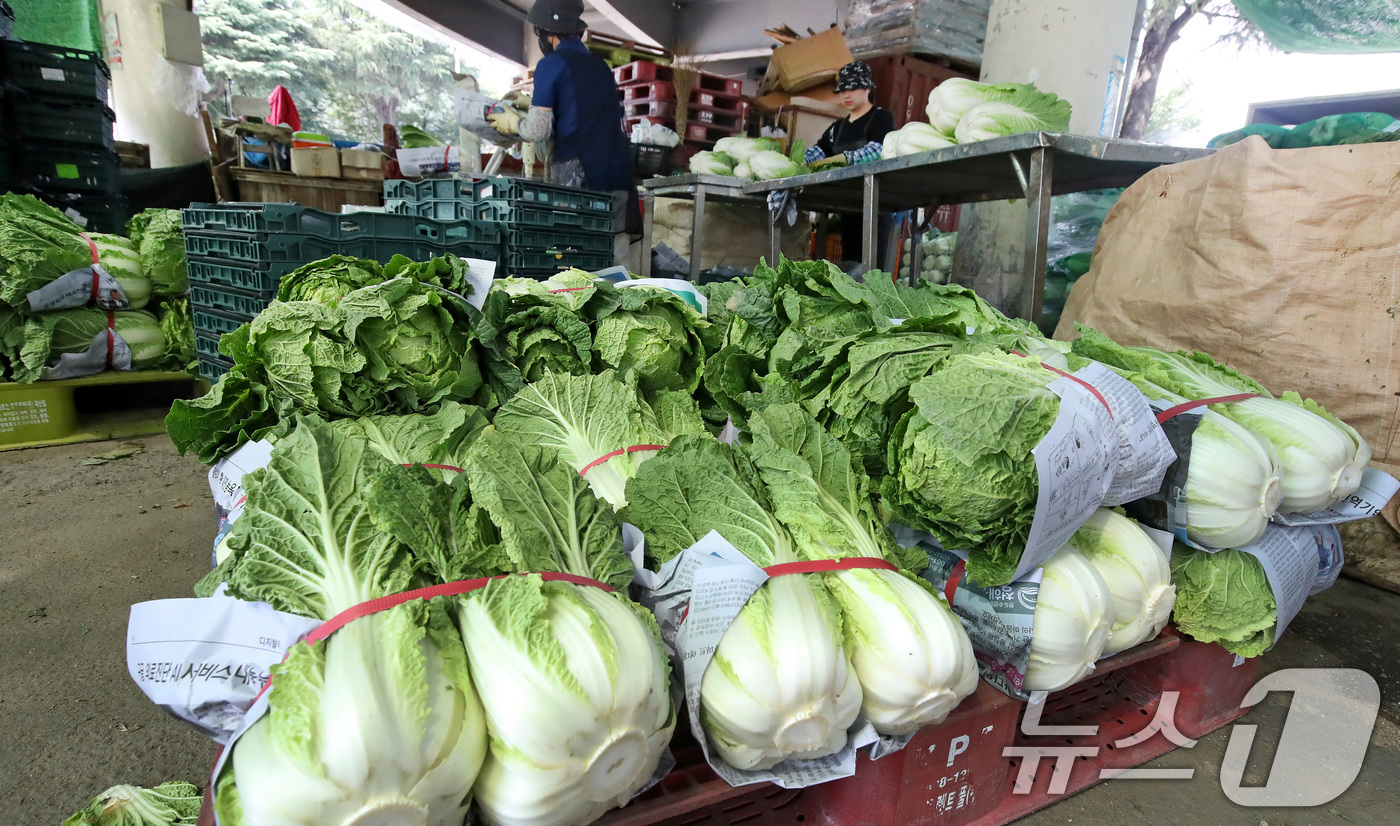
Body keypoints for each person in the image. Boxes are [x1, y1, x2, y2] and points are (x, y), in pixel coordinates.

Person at [488, 0, 638, 263]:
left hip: (579, 178)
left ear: (547, 34)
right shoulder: (601, 66)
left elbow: (538, 130)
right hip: (617, 175)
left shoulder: (552, 65)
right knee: (615, 256)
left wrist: (513, 122)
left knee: (574, 258)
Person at [803, 61, 896, 270]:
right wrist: (801, 162)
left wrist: (842, 160)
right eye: (843, 90)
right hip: (847, 205)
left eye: (852, 88)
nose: (846, 94)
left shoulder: (881, 118)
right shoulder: (838, 127)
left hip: (875, 207)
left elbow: (877, 150)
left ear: (867, 88)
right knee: (851, 266)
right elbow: (819, 150)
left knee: (874, 268)